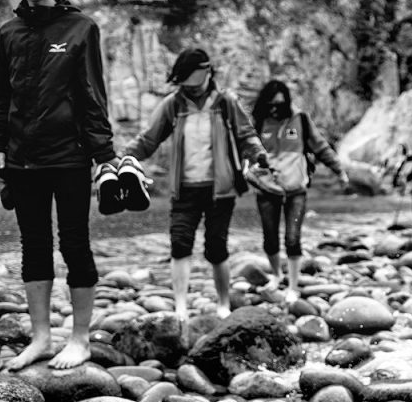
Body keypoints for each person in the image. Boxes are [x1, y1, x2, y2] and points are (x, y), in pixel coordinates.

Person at [0, 0, 117, 371]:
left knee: (75, 244)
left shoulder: (81, 28)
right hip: (23, 158)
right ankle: (41, 337)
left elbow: (91, 95)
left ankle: (79, 339)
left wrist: (106, 155)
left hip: (70, 157)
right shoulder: (8, 33)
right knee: (34, 246)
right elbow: (1, 96)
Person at [121, 48, 268, 322]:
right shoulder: (173, 105)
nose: (191, 90)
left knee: (216, 247)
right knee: (180, 243)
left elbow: (247, 136)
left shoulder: (226, 102)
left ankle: (223, 303)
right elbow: (148, 140)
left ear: (208, 74)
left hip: (220, 189)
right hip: (184, 188)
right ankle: (180, 308)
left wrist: (259, 157)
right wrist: (121, 159)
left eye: (194, 83)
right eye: (185, 84)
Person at [250, 80, 349, 303]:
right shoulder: (259, 122)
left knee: (293, 239)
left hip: (296, 191)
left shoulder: (301, 119)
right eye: (271, 104)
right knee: (270, 238)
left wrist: (339, 170)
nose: (275, 108)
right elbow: (246, 150)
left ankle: (293, 286)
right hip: (267, 190)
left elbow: (321, 146)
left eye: (279, 104)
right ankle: (276, 275)